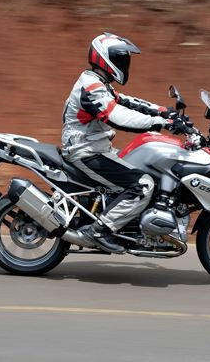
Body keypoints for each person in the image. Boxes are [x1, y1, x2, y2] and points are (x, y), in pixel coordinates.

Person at [61, 33, 179, 253]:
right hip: (85, 151)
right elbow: (117, 116)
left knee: (145, 171)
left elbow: (127, 102)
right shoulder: (91, 86)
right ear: (105, 58)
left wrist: (163, 111)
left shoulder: (98, 83)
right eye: (121, 58)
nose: (125, 63)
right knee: (143, 185)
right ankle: (99, 231)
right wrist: (160, 122)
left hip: (96, 148)